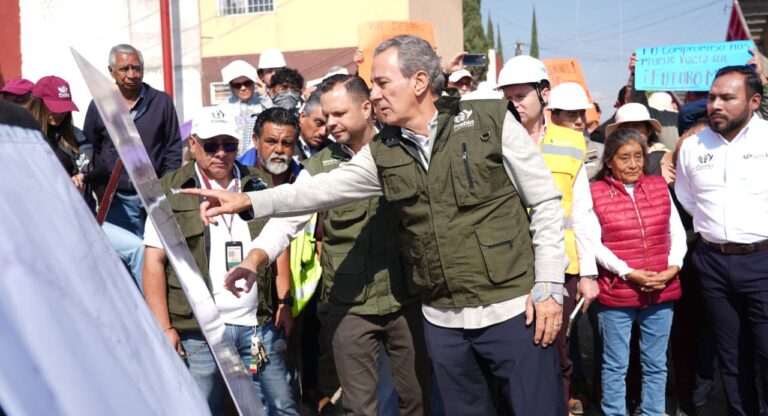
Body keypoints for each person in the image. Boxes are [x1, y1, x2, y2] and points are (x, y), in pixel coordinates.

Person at [185, 34, 568, 416]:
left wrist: (549, 286)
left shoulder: (489, 119)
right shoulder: (385, 152)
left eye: (382, 83)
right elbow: (317, 192)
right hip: (443, 321)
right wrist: (251, 201)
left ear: (418, 82)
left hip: (514, 310)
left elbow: (546, 202)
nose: (376, 94)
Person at [251, 74, 428, 415]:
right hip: (350, 307)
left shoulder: (405, 150)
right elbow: (288, 219)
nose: (330, 124)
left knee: (416, 399)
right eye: (326, 116)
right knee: (358, 406)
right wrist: (254, 258)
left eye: (339, 114)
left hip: (407, 298)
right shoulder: (319, 167)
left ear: (366, 108)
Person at [142, 107, 298, 416]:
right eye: (212, 145)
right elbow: (153, 263)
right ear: (194, 144)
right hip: (199, 334)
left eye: (229, 144)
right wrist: (164, 328)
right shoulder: (169, 191)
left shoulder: (259, 183)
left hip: (257, 330)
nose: (221, 153)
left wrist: (284, 302)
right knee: (202, 409)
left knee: (278, 406)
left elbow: (278, 243)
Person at [498, 58, 599, 415]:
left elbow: (583, 211)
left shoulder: (572, 142)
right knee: (514, 355)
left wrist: (588, 273)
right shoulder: (493, 141)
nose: (514, 103)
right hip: (507, 268)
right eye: (507, 96)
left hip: (561, 267)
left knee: (557, 353)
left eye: (522, 95)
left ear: (544, 94)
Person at [675, 65, 768, 416]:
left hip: (763, 261)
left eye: (727, 98)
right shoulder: (692, 146)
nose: (715, 104)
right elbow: (686, 198)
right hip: (712, 264)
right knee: (731, 357)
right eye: (712, 97)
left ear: (754, 101)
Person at [588, 128, 686, 416]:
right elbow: (594, 243)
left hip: (661, 289)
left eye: (638, 157)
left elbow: (676, 233)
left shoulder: (658, 187)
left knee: (656, 363)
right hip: (618, 293)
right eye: (624, 158)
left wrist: (673, 268)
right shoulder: (595, 193)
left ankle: (653, 412)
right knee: (615, 364)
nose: (633, 164)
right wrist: (628, 272)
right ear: (609, 161)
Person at [83, 43, 182, 238]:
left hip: (155, 199)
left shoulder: (162, 102)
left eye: (136, 68)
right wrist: (100, 189)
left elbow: (173, 148)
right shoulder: (99, 105)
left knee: (153, 255)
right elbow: (89, 150)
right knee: (124, 256)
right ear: (111, 72)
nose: (131, 74)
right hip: (115, 199)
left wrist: (166, 188)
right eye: (124, 69)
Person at [548, 81, 604, 181]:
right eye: (571, 115)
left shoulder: (601, 151)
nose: (579, 121)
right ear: (554, 118)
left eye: (582, 114)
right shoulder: (541, 153)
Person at [218, 59, 263, 156]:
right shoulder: (223, 108)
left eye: (247, 83)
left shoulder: (264, 103)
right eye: (237, 85)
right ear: (231, 87)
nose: (243, 88)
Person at [294, 91, 330, 161]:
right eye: (318, 123)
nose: (323, 132)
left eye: (329, 127)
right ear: (303, 117)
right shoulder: (285, 146)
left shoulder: (334, 150)